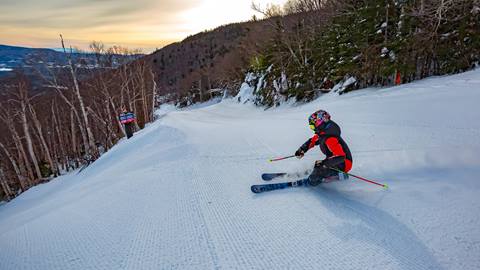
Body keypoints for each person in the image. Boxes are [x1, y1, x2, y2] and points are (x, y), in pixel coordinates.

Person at [295, 110, 353, 186]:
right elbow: (312, 141)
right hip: (335, 160)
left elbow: (340, 157)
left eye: (312, 126)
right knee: (317, 165)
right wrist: (302, 150)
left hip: (343, 164)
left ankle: (315, 180)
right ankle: (318, 173)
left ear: (319, 123)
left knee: (318, 170)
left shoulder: (330, 138)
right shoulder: (323, 133)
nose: (313, 128)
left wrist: (324, 163)